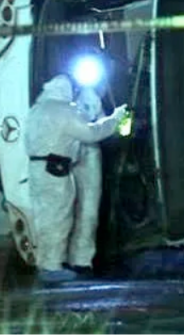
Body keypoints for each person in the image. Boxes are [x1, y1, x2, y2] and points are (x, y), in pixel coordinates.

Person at [24, 75, 125, 283]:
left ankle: (50, 264)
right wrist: (115, 119)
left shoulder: (37, 109)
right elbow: (91, 133)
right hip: (56, 168)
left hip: (38, 168)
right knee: (58, 218)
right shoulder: (64, 110)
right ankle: (51, 268)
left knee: (46, 218)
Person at [68, 86, 106, 275]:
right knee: (63, 210)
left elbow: (105, 124)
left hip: (89, 155)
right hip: (63, 157)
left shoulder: (91, 96)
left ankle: (82, 260)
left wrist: (123, 123)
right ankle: (61, 258)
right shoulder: (57, 98)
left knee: (88, 209)